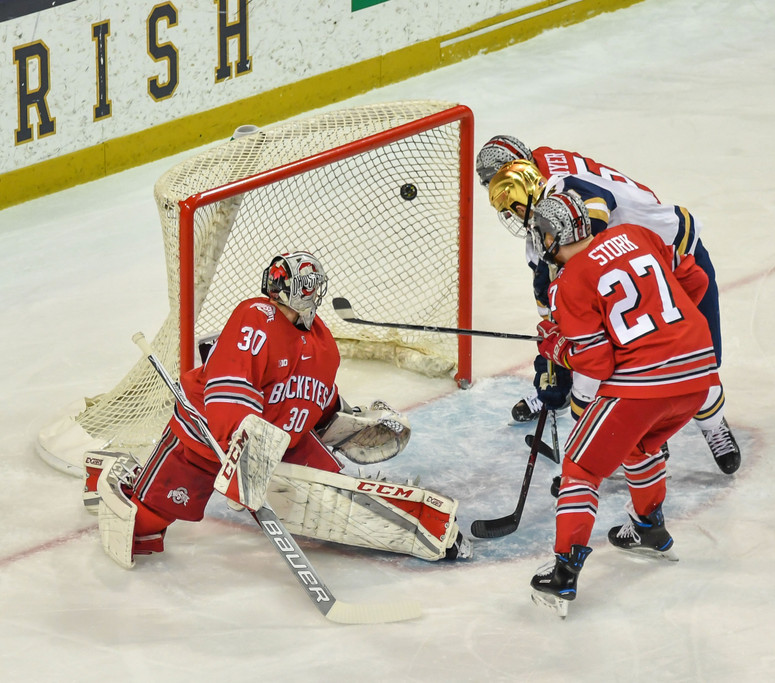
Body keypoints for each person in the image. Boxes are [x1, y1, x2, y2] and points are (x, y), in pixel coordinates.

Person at [88, 251, 471, 568]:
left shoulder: (323, 342)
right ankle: (113, 478)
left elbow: (312, 398)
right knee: (142, 528)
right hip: (205, 442)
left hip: (285, 445)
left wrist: (344, 422)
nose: (307, 293)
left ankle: (428, 529)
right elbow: (229, 391)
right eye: (302, 285)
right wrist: (242, 454)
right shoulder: (257, 317)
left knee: (346, 500)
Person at [477, 135, 740, 475]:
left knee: (692, 362)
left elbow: (589, 231)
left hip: (674, 255)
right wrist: (552, 370)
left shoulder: (570, 197)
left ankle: (713, 426)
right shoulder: (545, 203)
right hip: (630, 272)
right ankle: (649, 437)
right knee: (626, 366)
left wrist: (563, 341)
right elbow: (554, 304)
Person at [526, 191, 718, 616]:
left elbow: (597, 362)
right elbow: (696, 281)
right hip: (698, 371)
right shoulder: (635, 234)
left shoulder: (570, 282)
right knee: (639, 445)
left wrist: (558, 348)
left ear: (553, 236)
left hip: (645, 382)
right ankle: (649, 528)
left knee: (580, 466)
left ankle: (563, 575)